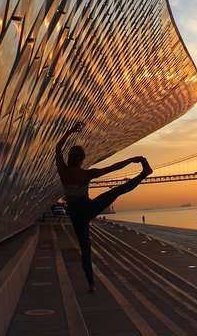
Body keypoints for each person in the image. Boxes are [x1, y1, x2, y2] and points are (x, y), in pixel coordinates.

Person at [56, 122, 152, 292]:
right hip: (88, 208)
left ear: (70, 157)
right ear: (82, 159)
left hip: (74, 213)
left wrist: (69, 131)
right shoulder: (86, 174)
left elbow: (58, 148)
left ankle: (91, 284)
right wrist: (131, 160)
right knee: (117, 191)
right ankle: (144, 173)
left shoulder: (63, 171)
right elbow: (111, 168)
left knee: (85, 249)